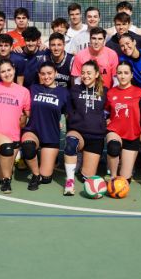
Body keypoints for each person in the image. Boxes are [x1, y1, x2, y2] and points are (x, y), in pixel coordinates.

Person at [0, 59, 31, 194]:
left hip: (13, 137)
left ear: (14, 70)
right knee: (6, 155)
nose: (7, 73)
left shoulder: (24, 91)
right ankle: (6, 182)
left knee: (1, 172)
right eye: (3, 71)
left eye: (9, 70)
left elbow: (28, 113)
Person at [21, 62, 70, 190]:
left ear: (55, 74)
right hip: (33, 130)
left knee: (46, 179)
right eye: (43, 74)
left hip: (51, 135)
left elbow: (67, 114)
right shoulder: (33, 88)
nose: (46, 76)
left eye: (49, 73)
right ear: (39, 75)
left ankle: (47, 164)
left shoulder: (64, 92)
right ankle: (35, 175)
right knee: (28, 147)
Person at [62, 60, 108, 196]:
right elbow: (68, 112)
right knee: (71, 143)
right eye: (83, 73)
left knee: (86, 178)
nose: (85, 76)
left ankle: (81, 156)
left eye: (89, 73)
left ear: (97, 74)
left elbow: (110, 110)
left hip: (96, 136)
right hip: (78, 132)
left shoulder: (105, 92)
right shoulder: (74, 90)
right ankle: (69, 182)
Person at [104, 62, 141, 184]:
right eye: (120, 73)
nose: (122, 76)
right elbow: (106, 111)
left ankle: (123, 173)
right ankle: (112, 176)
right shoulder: (111, 92)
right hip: (115, 131)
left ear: (132, 75)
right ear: (116, 74)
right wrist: (106, 119)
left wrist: (138, 123)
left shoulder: (140, 93)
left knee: (125, 180)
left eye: (126, 73)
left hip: (132, 134)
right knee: (113, 147)